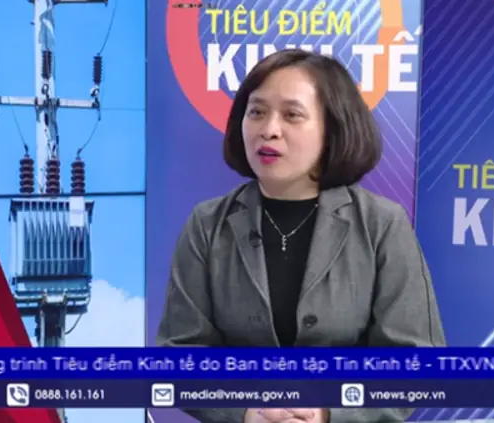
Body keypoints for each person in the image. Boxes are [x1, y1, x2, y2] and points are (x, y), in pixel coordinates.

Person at [156, 49, 446, 423]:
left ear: (332, 129)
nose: (269, 129)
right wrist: (246, 412)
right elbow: (179, 355)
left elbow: (415, 363)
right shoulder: (207, 224)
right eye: (256, 112)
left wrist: (326, 414)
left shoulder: (382, 224)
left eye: (292, 115)